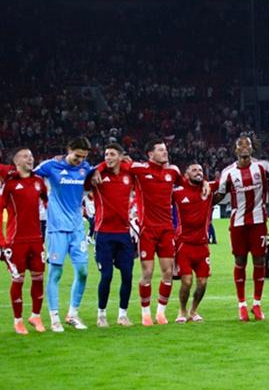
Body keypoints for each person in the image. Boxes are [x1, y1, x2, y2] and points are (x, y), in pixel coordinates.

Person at [91, 139, 209, 326]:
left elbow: (189, 183)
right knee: (147, 272)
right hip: (147, 230)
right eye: (161, 150)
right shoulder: (138, 169)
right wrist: (97, 169)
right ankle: (145, 313)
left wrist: (204, 182)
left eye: (165, 149)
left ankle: (160, 313)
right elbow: (114, 161)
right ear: (150, 154)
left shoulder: (173, 172)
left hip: (167, 230)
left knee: (168, 272)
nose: (165, 152)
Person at [35, 137, 93, 332]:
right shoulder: (50, 166)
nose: (80, 160)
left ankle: (72, 314)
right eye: (77, 156)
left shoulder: (85, 168)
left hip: (77, 228)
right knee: (56, 272)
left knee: (83, 272)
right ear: (69, 150)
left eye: (83, 157)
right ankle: (54, 318)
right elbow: (29, 175)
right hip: (57, 228)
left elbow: (97, 171)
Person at [217, 135, 269, 321]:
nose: (244, 147)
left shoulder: (263, 167)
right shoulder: (228, 172)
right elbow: (219, 194)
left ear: (252, 148)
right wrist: (204, 201)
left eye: (247, 144)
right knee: (240, 261)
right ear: (235, 150)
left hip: (258, 222)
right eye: (240, 145)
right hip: (238, 223)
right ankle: (241, 304)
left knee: (259, 261)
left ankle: (257, 304)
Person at [85, 143, 136, 327]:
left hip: (124, 233)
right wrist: (97, 169)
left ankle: (123, 315)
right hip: (104, 234)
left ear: (121, 156)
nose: (108, 157)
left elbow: (139, 169)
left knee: (128, 275)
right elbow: (86, 175)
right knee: (106, 276)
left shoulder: (129, 174)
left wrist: (129, 163)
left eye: (112, 154)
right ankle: (101, 315)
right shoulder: (97, 176)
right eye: (106, 154)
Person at [0, 148, 48, 334]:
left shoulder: (38, 182)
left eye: (31, 156)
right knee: (18, 279)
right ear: (16, 161)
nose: (31, 159)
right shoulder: (10, 184)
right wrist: (2, 240)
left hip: (36, 239)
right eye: (25, 156)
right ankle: (18, 320)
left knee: (39, 278)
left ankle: (35, 316)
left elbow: (48, 203)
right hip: (16, 240)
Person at [172, 163, 219, 323]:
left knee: (202, 282)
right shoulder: (177, 192)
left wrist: (206, 182)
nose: (198, 172)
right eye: (194, 170)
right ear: (186, 175)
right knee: (186, 281)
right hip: (184, 244)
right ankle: (182, 311)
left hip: (202, 246)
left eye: (200, 170)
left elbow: (225, 180)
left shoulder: (208, 189)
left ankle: (193, 310)